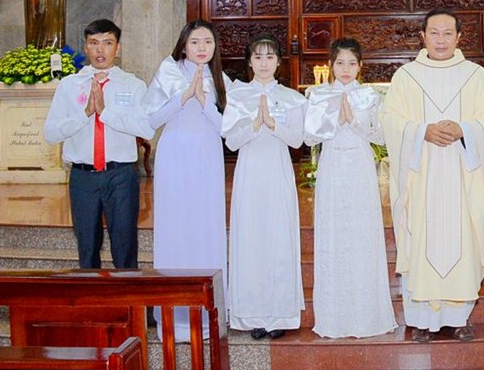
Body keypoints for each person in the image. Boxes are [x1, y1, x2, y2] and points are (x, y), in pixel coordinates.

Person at [380, 9, 484, 343]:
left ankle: (458, 317)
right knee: (422, 237)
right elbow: (389, 120)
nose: (440, 40)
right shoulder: (407, 76)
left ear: (459, 37)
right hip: (422, 177)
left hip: (462, 176)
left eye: (448, 33)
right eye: (434, 33)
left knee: (462, 238)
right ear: (422, 36)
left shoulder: (474, 75)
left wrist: (464, 129)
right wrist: (422, 131)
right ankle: (421, 320)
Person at [143, 20, 229, 341]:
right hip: (175, 155)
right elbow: (150, 120)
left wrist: (205, 103)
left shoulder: (221, 79)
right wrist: (183, 97)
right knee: (175, 226)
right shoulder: (168, 72)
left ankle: (208, 315)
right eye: (195, 42)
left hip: (207, 156)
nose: (202, 47)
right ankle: (174, 315)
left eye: (208, 42)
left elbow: (228, 130)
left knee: (206, 226)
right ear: (183, 45)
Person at [305, 38, 397, 339]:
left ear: (360, 66)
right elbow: (309, 137)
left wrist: (353, 121)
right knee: (333, 231)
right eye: (340, 63)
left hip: (359, 166)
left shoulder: (369, 95)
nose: (346, 69)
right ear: (331, 65)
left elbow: (381, 137)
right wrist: (335, 120)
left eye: (352, 63)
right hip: (332, 165)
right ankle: (334, 317)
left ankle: (367, 315)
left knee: (362, 232)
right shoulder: (319, 95)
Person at [43, 19, 154, 269]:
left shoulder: (133, 85)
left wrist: (105, 113)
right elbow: (50, 133)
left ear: (118, 48)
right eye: (94, 43)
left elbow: (146, 129)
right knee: (87, 247)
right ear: (86, 47)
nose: (100, 50)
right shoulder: (69, 85)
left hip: (121, 175)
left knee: (125, 246)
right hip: (83, 177)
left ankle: (126, 294)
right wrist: (85, 113)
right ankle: (90, 294)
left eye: (107, 43)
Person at [222, 34, 307, 340]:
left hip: (278, 171)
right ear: (249, 62)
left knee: (279, 238)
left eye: (270, 57)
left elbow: (297, 140)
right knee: (251, 239)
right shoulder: (237, 96)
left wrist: (273, 124)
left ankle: (280, 314)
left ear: (278, 62)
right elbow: (231, 142)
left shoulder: (292, 98)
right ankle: (253, 315)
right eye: (257, 57)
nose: (263, 63)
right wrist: (254, 124)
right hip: (250, 172)